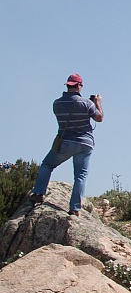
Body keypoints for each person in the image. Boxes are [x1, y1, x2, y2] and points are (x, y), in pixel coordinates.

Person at [30, 74, 103, 216]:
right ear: (79, 86)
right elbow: (99, 118)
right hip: (85, 143)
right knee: (80, 176)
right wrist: (98, 103)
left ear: (68, 85)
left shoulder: (56, 103)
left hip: (65, 142)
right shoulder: (86, 104)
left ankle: (38, 193)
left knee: (47, 165)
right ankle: (75, 208)